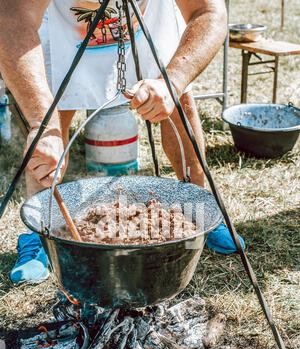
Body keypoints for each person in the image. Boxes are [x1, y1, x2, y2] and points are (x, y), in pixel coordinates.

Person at [0, 0, 245, 285]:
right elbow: (11, 16)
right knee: (53, 112)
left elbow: (209, 12)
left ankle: (200, 211)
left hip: (148, 18)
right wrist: (42, 122)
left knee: (180, 103)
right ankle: (38, 233)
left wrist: (173, 83)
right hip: (65, 24)